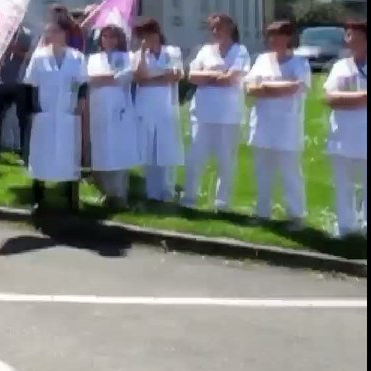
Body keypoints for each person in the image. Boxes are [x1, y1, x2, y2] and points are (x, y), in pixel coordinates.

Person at [244, 21, 311, 226]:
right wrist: (276, 88)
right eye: (270, 35)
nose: (273, 40)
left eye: (278, 35)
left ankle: (296, 215)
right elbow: (250, 88)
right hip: (262, 124)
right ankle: (262, 212)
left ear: (288, 37)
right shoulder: (262, 60)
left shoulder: (299, 63)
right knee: (262, 172)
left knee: (291, 173)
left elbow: (295, 88)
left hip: (287, 127)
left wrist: (265, 87)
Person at [181, 13, 251, 210]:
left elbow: (232, 78)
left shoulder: (240, 51)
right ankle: (189, 197)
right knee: (195, 157)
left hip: (229, 115)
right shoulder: (204, 51)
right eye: (212, 27)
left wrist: (207, 77)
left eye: (219, 27)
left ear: (230, 27)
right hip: (202, 113)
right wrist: (218, 75)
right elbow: (192, 76)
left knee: (226, 160)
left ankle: (222, 203)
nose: (215, 31)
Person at [23, 16, 88, 216]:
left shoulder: (77, 57)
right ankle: (38, 197)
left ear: (64, 34)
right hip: (45, 113)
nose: (50, 35)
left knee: (69, 155)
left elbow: (83, 84)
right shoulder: (39, 57)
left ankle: (71, 197)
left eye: (54, 31)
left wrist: (81, 103)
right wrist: (34, 110)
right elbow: (30, 85)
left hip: (68, 113)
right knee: (41, 154)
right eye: (48, 31)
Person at [85, 25, 140, 206]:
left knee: (118, 150)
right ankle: (106, 192)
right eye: (105, 36)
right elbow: (88, 79)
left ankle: (120, 193)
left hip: (119, 109)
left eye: (112, 37)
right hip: (98, 108)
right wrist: (109, 77)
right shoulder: (93, 58)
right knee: (100, 150)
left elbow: (125, 77)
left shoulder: (126, 57)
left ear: (119, 39)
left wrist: (104, 78)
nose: (108, 40)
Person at [131, 18, 184, 202]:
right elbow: (139, 77)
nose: (147, 38)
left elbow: (175, 75)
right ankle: (151, 192)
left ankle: (167, 190)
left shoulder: (172, 52)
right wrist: (143, 53)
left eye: (149, 34)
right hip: (145, 108)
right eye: (142, 36)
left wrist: (150, 78)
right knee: (149, 150)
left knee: (166, 148)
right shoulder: (138, 55)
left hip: (166, 106)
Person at [323, 20, 368, 238]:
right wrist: (361, 98)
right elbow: (330, 98)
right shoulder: (340, 67)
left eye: (355, 36)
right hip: (341, 134)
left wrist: (346, 99)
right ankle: (345, 226)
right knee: (343, 184)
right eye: (348, 36)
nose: (350, 40)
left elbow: (339, 98)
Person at [0, 27, 32, 160]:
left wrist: (12, 47)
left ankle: (25, 151)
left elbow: (29, 55)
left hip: (20, 83)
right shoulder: (2, 32)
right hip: (3, 82)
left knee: (23, 119)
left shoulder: (26, 34)